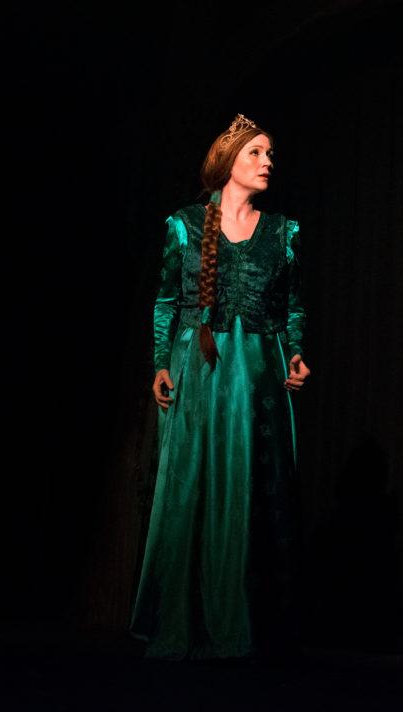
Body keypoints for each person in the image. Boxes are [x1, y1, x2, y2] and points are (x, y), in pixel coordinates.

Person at [129, 114, 312, 661]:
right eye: (256, 153)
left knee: (251, 487)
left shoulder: (284, 230)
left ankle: (249, 623)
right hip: (200, 366)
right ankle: (185, 619)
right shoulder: (185, 225)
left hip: (258, 370)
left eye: (271, 154)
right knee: (193, 487)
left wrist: (297, 351)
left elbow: (294, 306)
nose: (267, 163)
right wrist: (161, 361)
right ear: (228, 160)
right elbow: (166, 299)